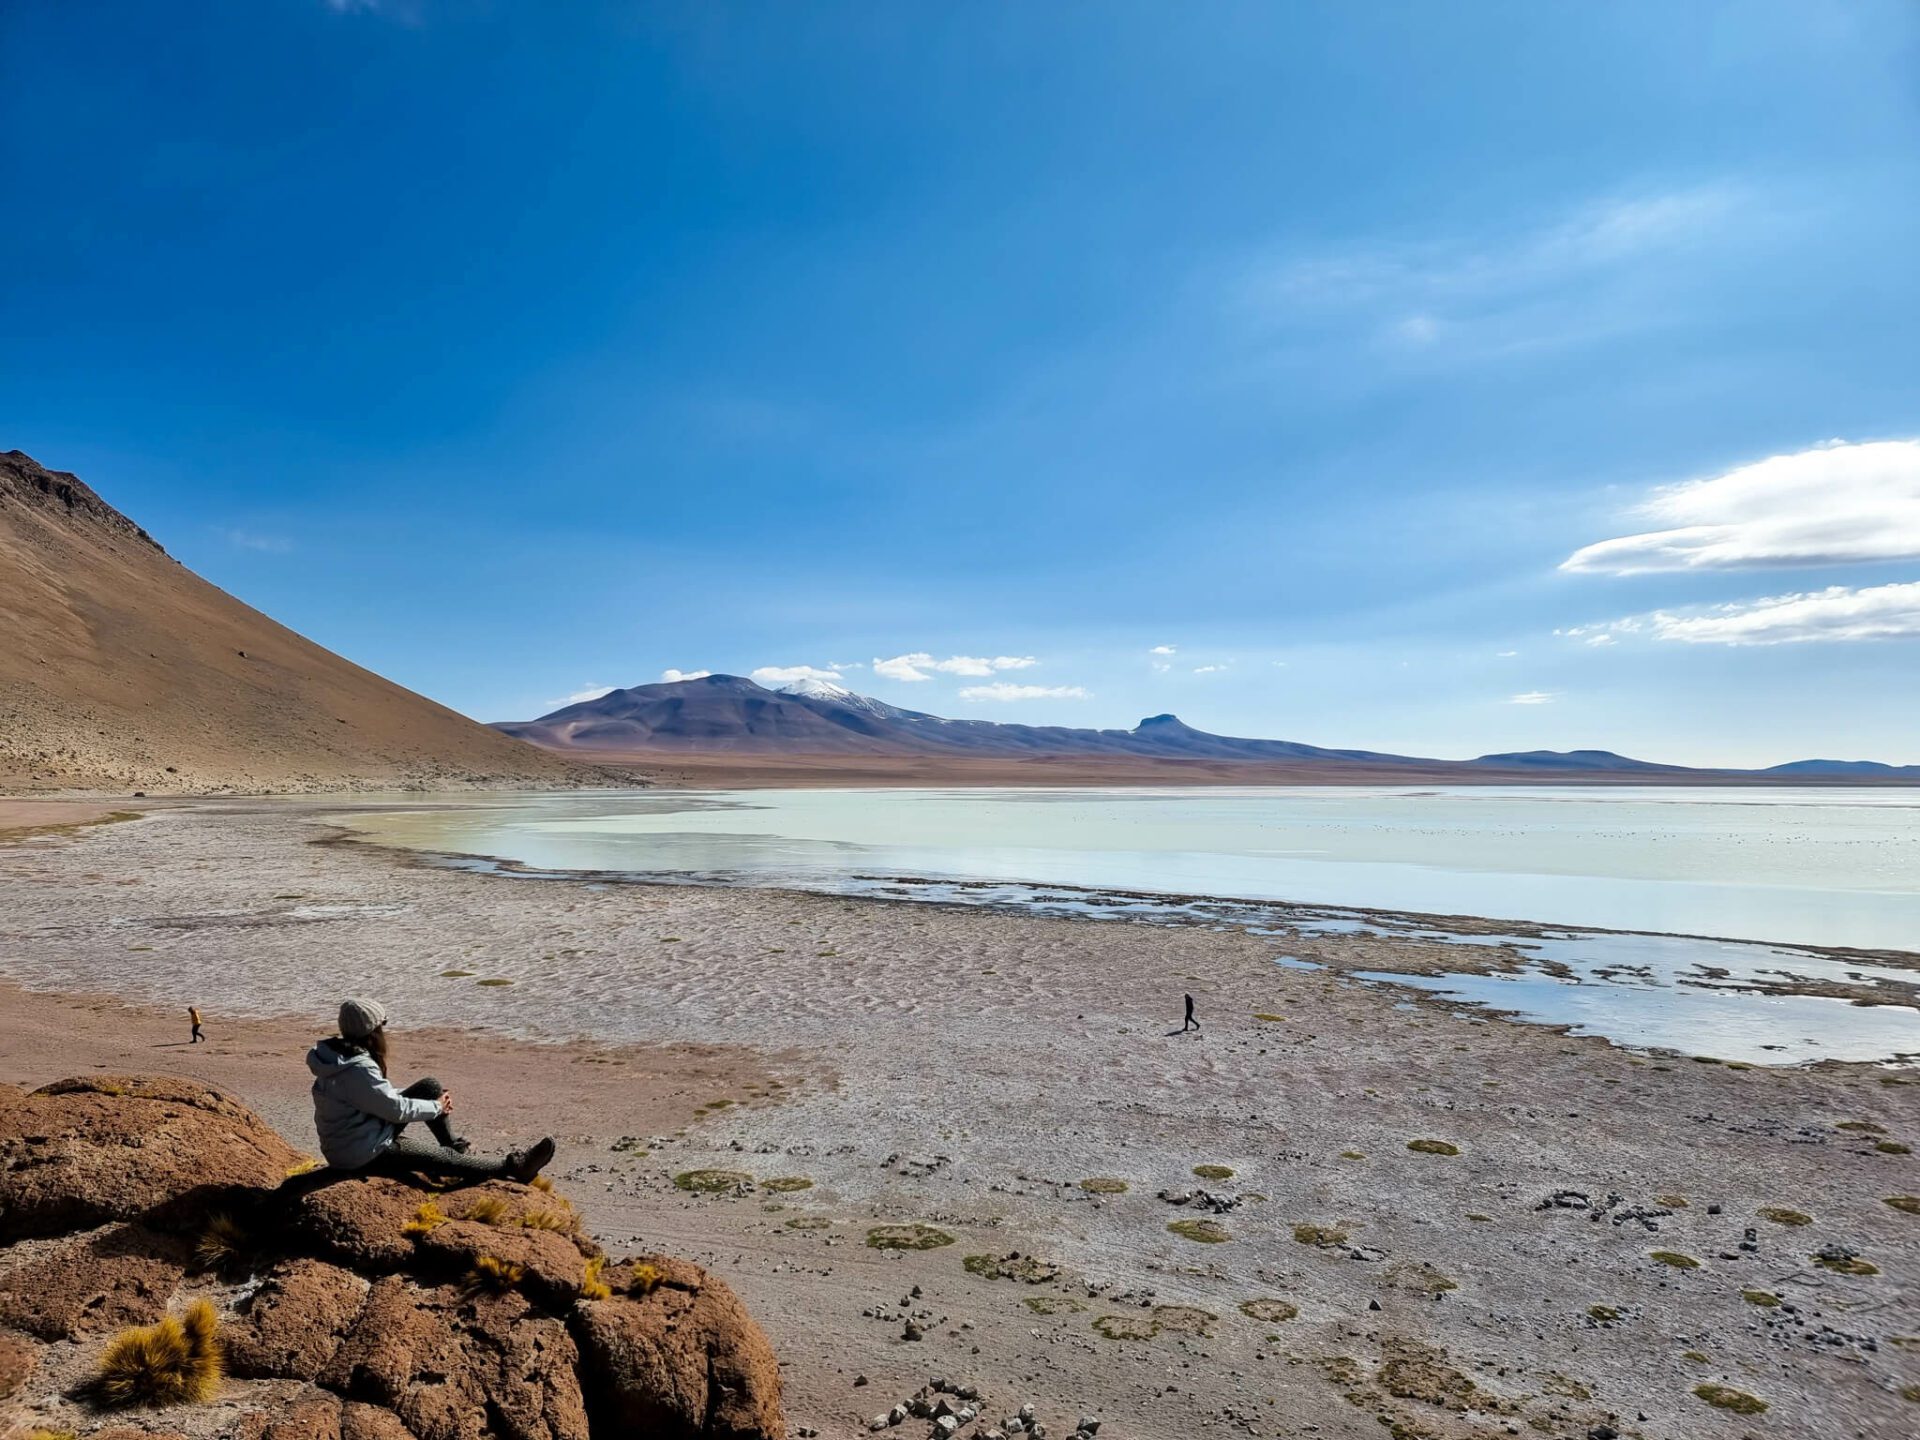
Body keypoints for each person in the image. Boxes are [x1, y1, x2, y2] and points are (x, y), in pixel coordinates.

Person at [307, 998, 554, 1184]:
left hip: (358, 1136)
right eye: (383, 1026)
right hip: (363, 1153)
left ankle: (457, 1149)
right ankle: (514, 1167)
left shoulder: (340, 1058)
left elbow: (376, 1098)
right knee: (444, 1159)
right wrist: (437, 1107)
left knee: (429, 1087)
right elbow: (394, 1109)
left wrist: (432, 1101)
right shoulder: (358, 1069)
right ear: (372, 1032)